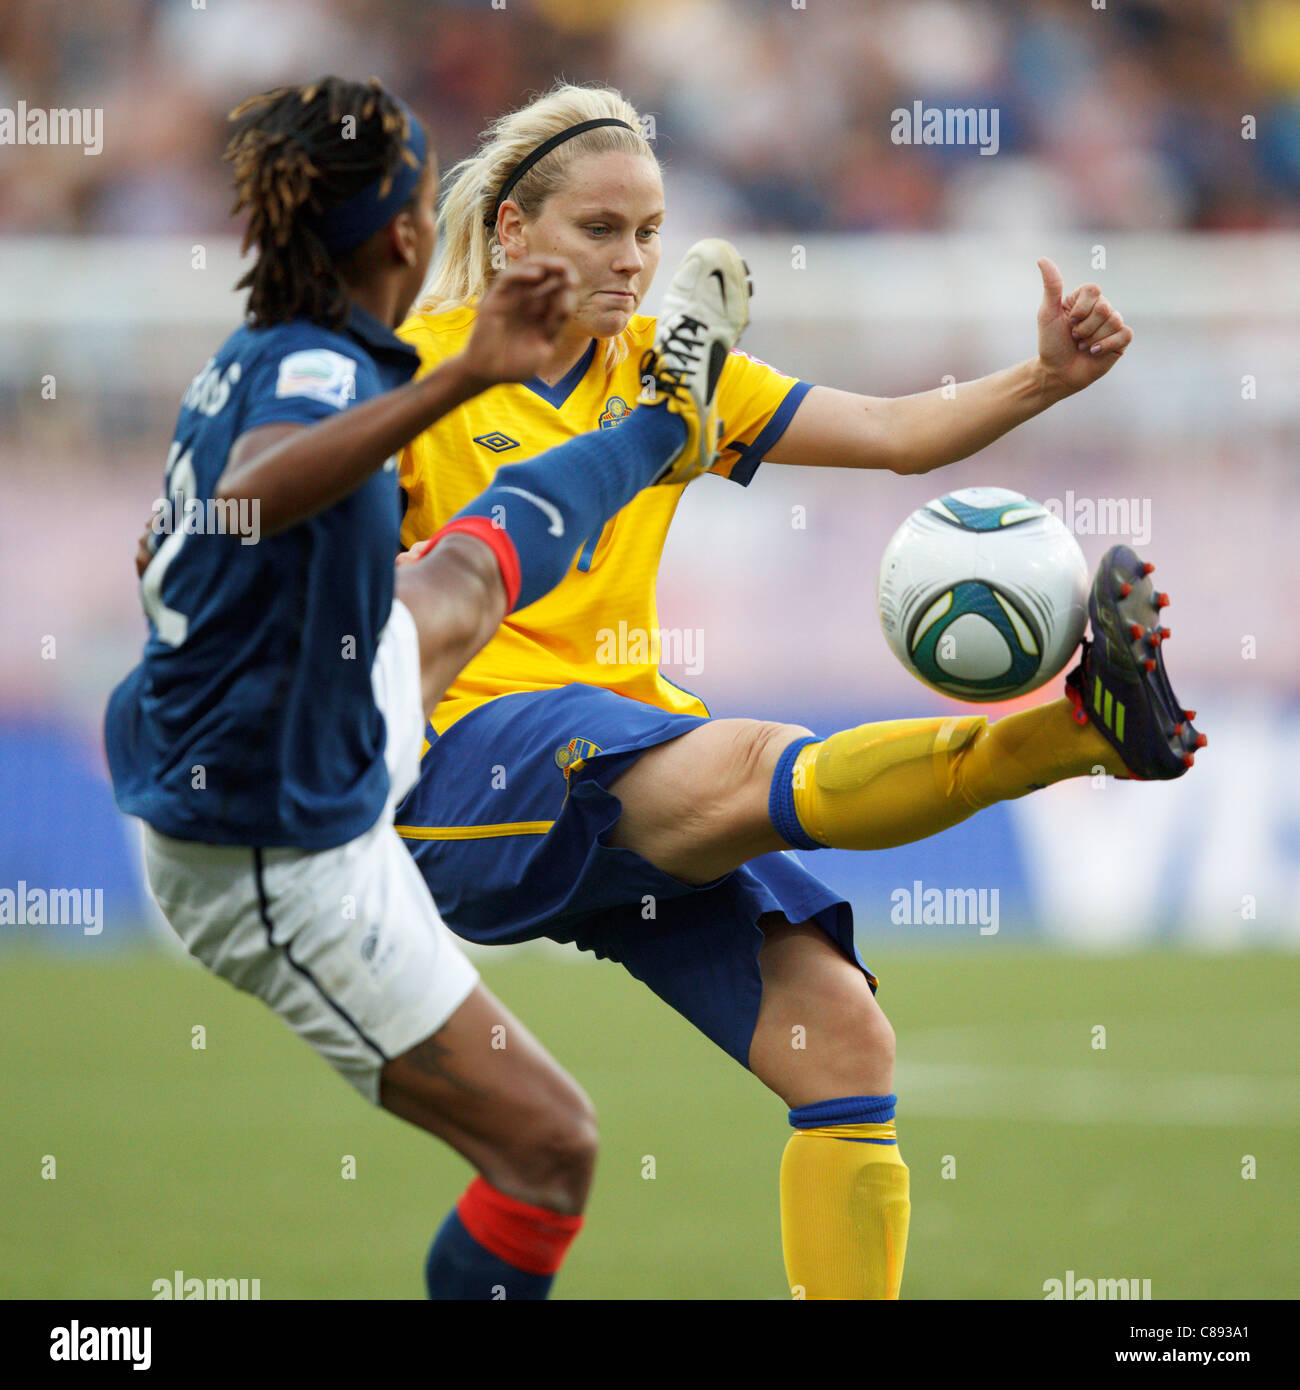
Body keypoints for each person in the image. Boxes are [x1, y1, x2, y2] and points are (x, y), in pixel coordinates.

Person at [391, 82, 1206, 1300]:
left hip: (618, 750)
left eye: (649, 231)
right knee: (750, 758)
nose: (634, 259)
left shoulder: (667, 375)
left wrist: (1040, 382)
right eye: (600, 229)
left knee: (841, 1042)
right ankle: (1073, 736)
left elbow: (889, 429)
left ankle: (1084, 731)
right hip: (459, 756)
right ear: (511, 232)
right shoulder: (416, 370)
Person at [106, 75, 751, 1300]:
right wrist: (462, 379)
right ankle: (659, 435)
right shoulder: (323, 373)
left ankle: (662, 431)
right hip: (269, 839)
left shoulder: (284, 349)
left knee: (464, 575)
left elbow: (201, 517)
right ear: (405, 233)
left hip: (331, 709)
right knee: (548, 1148)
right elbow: (254, 491)